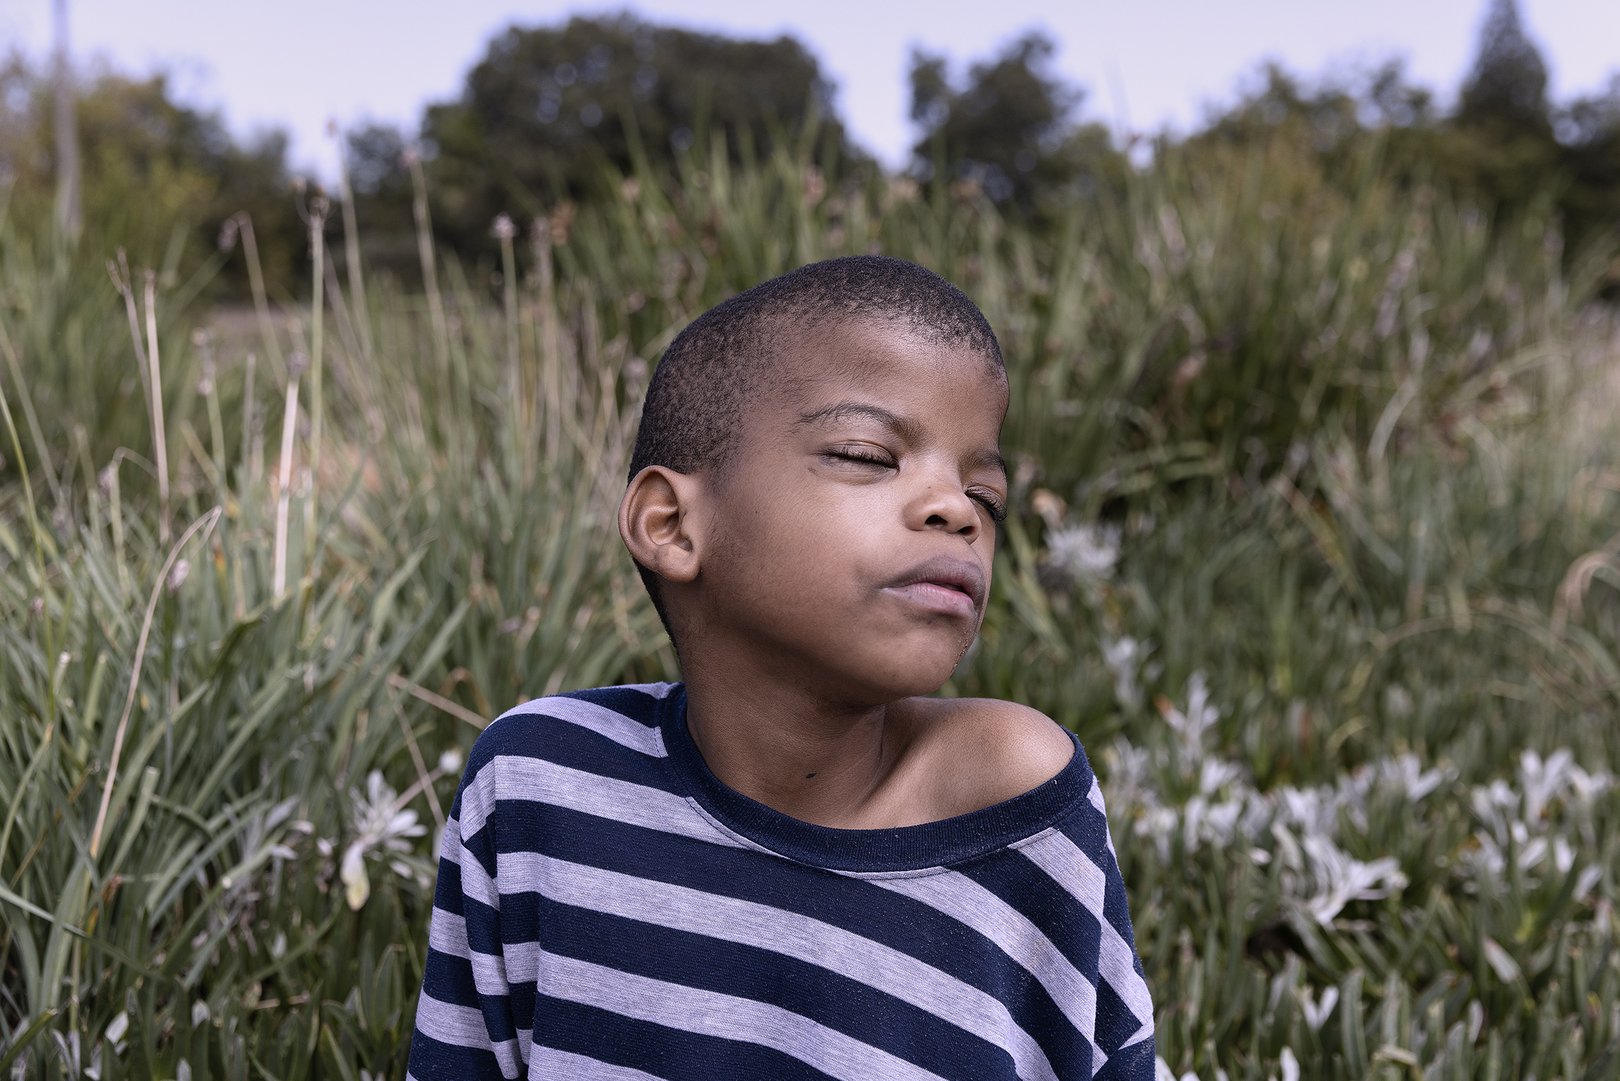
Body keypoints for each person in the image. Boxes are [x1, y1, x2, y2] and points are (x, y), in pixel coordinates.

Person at [406, 255, 1155, 1080]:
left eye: (987, 495)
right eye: (870, 455)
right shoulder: (539, 783)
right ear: (672, 524)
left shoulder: (1014, 806)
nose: (956, 509)